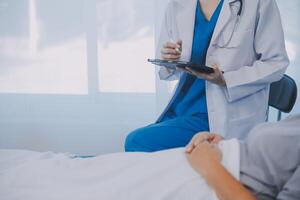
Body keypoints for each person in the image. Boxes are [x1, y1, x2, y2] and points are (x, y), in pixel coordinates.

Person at [1, 115, 299, 200]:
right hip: (217, 158)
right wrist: (214, 144)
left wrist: (209, 166)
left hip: (216, 178)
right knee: (92, 170)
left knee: (91, 188)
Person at [125, 0, 289, 152]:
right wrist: (170, 59)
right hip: (182, 107)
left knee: (135, 142)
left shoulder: (258, 3)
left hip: (222, 116)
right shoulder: (179, 4)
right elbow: (168, 72)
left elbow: (276, 63)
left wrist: (226, 79)